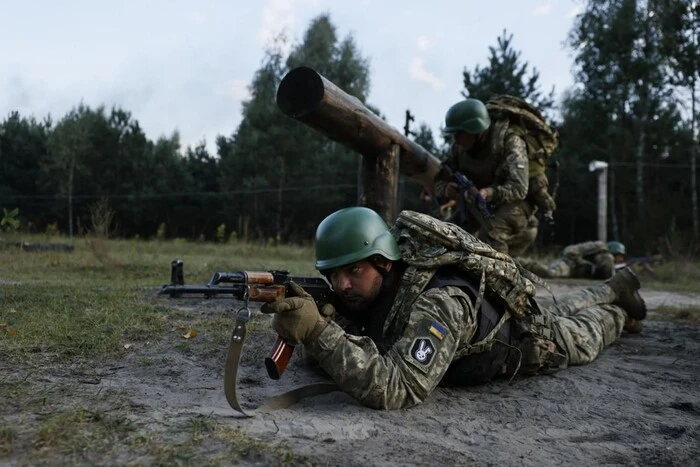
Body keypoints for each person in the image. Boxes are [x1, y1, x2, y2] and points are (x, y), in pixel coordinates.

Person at [260, 207, 647, 410]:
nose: (342, 286)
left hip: (535, 343)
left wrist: (318, 331)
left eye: (353, 271)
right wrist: (325, 321)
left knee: (585, 332)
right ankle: (614, 285)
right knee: (562, 306)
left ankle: (618, 309)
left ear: (385, 262)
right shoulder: (377, 289)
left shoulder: (439, 303)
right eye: (333, 275)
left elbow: (399, 389)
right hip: (512, 323)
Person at [433, 97, 556, 255]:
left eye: (459, 134)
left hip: (520, 200)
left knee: (492, 236)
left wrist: (489, 193)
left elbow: (519, 188)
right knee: (445, 233)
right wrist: (446, 189)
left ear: (475, 130)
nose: (454, 140)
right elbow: (439, 181)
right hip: (481, 201)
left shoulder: (510, 141)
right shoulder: (458, 149)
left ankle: (500, 278)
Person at [517, 240, 627, 280]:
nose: (620, 259)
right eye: (619, 255)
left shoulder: (608, 263)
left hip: (574, 272)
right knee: (551, 273)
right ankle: (518, 262)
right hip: (569, 264)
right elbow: (571, 251)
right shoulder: (599, 248)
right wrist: (581, 262)